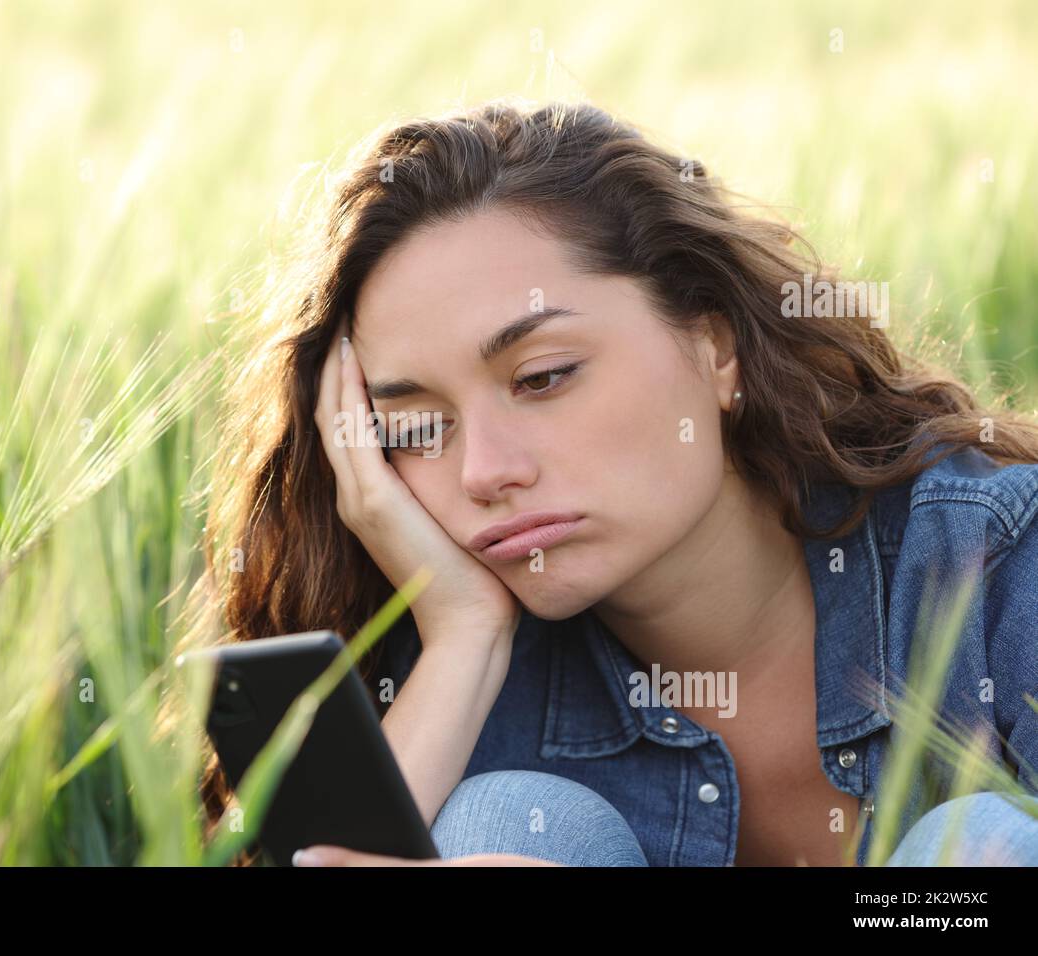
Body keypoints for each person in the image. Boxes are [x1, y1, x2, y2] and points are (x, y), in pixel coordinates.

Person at [181, 98, 1038, 866]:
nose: (485, 472)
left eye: (544, 377)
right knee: (509, 821)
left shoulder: (993, 556)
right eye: (414, 429)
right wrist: (464, 637)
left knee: (979, 849)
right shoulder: (423, 667)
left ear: (716, 347)